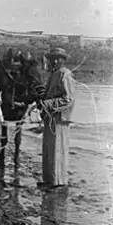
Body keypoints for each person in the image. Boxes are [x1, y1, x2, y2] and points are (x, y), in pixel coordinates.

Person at [37, 47, 75, 187]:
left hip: (60, 119)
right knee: (48, 149)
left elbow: (68, 99)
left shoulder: (65, 75)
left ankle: (58, 182)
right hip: (50, 118)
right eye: (52, 58)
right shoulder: (54, 74)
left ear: (63, 60)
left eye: (57, 58)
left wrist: (48, 103)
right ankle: (49, 180)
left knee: (57, 150)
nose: (54, 61)